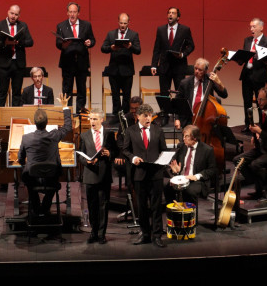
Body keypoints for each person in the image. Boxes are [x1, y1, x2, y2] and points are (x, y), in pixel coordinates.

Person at [18, 93, 71, 216]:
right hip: (51, 177)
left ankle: (36, 210)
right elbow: (68, 126)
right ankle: (46, 207)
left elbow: (20, 158)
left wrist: (23, 164)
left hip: (33, 178)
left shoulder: (26, 138)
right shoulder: (54, 135)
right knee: (53, 183)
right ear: (47, 122)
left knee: (29, 183)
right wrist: (65, 107)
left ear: (34, 122)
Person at [122, 103, 168, 247]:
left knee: (156, 206)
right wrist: (133, 158)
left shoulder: (158, 130)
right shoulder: (131, 131)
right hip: (139, 174)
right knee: (142, 207)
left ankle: (157, 235)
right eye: (145, 116)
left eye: (150, 115)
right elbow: (125, 150)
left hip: (155, 174)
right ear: (138, 116)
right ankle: (145, 234)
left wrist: (164, 160)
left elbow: (164, 150)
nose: (148, 118)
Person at [79, 109, 118, 244]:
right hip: (90, 174)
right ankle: (93, 232)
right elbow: (80, 155)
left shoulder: (109, 134)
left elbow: (115, 152)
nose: (92, 122)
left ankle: (102, 234)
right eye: (90, 119)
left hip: (104, 175)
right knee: (92, 205)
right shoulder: (84, 135)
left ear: (102, 119)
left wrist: (109, 154)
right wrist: (86, 161)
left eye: (95, 119)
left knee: (103, 205)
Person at [233, 87, 267, 202]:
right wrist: (258, 135)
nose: (258, 103)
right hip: (264, 148)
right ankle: (259, 187)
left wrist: (260, 132)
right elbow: (266, 131)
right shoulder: (264, 112)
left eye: (261, 100)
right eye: (258, 100)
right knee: (238, 160)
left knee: (255, 164)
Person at [0, 4, 34, 117]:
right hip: (4, 63)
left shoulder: (23, 25)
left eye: (16, 14)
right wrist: (6, 43)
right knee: (2, 92)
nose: (13, 16)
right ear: (8, 12)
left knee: (16, 92)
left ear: (19, 15)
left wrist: (19, 43)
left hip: (18, 64)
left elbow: (30, 42)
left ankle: (15, 117)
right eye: (12, 13)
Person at [56, 2, 95, 114]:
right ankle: (67, 113)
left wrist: (89, 42)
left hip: (81, 62)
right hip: (67, 62)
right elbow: (58, 43)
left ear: (78, 13)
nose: (72, 14)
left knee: (81, 89)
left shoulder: (86, 25)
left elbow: (92, 40)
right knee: (67, 90)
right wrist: (63, 44)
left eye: (74, 12)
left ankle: (79, 113)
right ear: (67, 13)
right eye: (70, 12)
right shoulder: (61, 26)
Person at [165, 125, 217, 204]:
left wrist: (196, 176)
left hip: (197, 180)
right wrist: (176, 170)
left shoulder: (207, 150)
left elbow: (212, 169)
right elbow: (174, 163)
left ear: (195, 138)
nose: (183, 139)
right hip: (182, 178)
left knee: (189, 191)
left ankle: (189, 214)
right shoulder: (182, 147)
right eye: (184, 136)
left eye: (186, 136)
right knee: (168, 188)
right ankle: (174, 212)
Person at [101, 13, 141, 116]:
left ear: (128, 23)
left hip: (127, 70)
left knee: (126, 96)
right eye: (121, 23)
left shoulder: (133, 34)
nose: (123, 25)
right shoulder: (111, 34)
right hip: (114, 70)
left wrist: (130, 47)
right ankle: (116, 117)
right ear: (118, 22)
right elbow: (103, 48)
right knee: (115, 96)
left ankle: (126, 117)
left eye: (125, 23)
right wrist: (111, 48)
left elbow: (138, 50)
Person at [151, 7, 195, 98]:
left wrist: (183, 54)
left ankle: (178, 112)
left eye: (173, 13)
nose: (170, 14)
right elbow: (157, 49)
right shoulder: (161, 29)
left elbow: (191, 46)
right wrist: (154, 65)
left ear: (178, 17)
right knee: (164, 94)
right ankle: (165, 112)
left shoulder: (185, 30)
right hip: (164, 67)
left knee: (180, 94)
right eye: (169, 13)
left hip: (179, 67)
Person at [239, 18, 267, 133]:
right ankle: (248, 124)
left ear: (261, 27)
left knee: (260, 102)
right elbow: (244, 56)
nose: (251, 29)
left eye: (254, 26)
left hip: (258, 76)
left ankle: (261, 125)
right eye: (250, 27)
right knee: (247, 101)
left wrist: (256, 54)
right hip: (246, 75)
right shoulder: (247, 40)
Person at [174, 57, 228, 130]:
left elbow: (224, 95)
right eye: (195, 68)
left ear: (205, 71)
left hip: (206, 119)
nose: (196, 71)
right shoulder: (185, 83)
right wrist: (177, 119)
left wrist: (219, 83)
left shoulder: (210, 80)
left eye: (200, 70)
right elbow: (177, 102)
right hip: (189, 120)